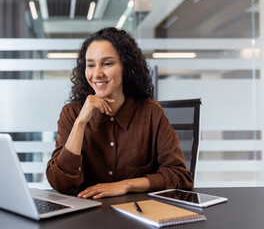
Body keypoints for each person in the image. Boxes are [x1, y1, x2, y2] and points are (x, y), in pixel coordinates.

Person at [46, 27, 193, 199]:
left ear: (126, 66)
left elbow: (180, 177)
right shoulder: (72, 114)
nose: (97, 73)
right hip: (87, 218)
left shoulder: (151, 113)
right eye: (91, 65)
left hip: (139, 216)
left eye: (107, 63)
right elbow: (60, 183)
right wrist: (80, 123)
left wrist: (126, 185)